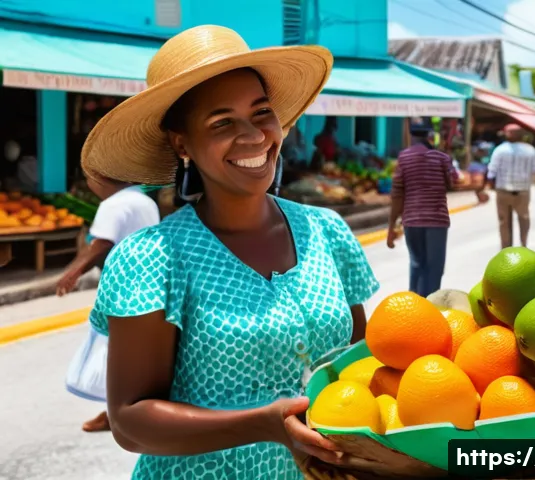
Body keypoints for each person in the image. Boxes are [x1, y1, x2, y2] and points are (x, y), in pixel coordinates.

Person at [79, 25, 380, 479]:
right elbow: (130, 421)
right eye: (222, 123)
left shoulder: (328, 231)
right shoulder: (151, 259)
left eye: (261, 113)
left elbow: (361, 363)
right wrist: (264, 424)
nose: (255, 137)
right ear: (182, 144)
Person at [60, 174, 161, 432]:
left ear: (99, 179)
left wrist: (73, 272)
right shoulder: (144, 201)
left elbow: (100, 245)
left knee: (114, 349)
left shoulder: (113, 205)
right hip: (150, 282)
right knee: (136, 349)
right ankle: (125, 409)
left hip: (121, 287)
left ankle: (118, 413)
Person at [387, 117, 458, 298]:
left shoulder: (404, 157)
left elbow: (397, 194)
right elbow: (454, 183)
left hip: (411, 220)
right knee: (434, 268)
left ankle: (415, 306)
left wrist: (391, 227)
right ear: (429, 135)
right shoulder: (441, 157)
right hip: (437, 220)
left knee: (417, 264)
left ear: (411, 135)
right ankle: (430, 308)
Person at [481, 123, 535, 248]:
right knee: (523, 219)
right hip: (521, 191)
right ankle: (523, 246)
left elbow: (492, 170)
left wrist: (487, 186)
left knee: (505, 221)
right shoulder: (530, 150)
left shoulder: (500, 150)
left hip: (504, 191)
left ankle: (507, 248)